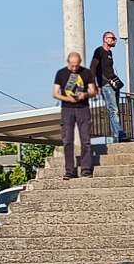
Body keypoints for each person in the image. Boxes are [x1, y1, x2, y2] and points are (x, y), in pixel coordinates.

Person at [53, 50, 98, 179]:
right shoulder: (61, 73)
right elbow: (55, 93)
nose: (74, 68)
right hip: (67, 109)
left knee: (86, 140)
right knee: (67, 140)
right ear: (68, 63)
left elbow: (93, 91)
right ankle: (70, 170)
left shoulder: (86, 73)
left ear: (80, 63)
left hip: (83, 108)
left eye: (76, 65)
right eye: (72, 65)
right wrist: (68, 99)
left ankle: (86, 169)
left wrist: (85, 94)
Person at [90, 31, 125, 143]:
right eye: (112, 38)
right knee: (113, 110)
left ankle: (117, 135)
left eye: (115, 39)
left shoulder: (109, 53)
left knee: (115, 110)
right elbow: (93, 67)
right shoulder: (99, 51)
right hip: (106, 84)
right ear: (105, 39)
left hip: (113, 84)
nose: (114, 40)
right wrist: (94, 84)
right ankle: (120, 134)